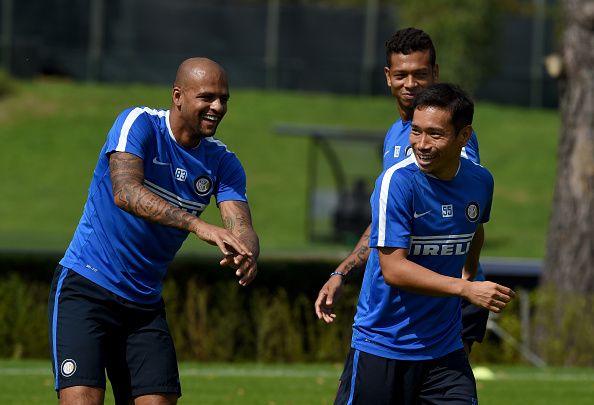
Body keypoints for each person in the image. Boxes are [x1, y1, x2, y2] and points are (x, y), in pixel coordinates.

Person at [48, 57, 259, 405]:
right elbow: (126, 192)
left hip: (143, 306)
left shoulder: (223, 162)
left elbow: (241, 226)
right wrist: (197, 225)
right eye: (207, 97)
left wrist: (247, 251)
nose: (218, 107)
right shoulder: (139, 123)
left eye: (224, 98)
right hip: (86, 288)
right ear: (178, 95)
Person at [333, 82, 515, 404]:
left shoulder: (480, 181)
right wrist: (466, 289)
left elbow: (475, 229)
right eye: (416, 131)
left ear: (464, 136)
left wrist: (469, 274)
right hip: (384, 344)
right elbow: (394, 269)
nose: (421, 144)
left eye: (435, 133)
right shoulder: (397, 182)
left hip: (444, 351)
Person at [315, 27, 488, 354]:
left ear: (435, 73)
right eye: (401, 75)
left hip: (447, 294)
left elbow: (467, 205)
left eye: (420, 74)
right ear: (387, 77)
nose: (410, 84)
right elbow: (387, 222)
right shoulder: (396, 134)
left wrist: (465, 277)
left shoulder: (447, 138)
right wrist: (344, 270)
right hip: (405, 297)